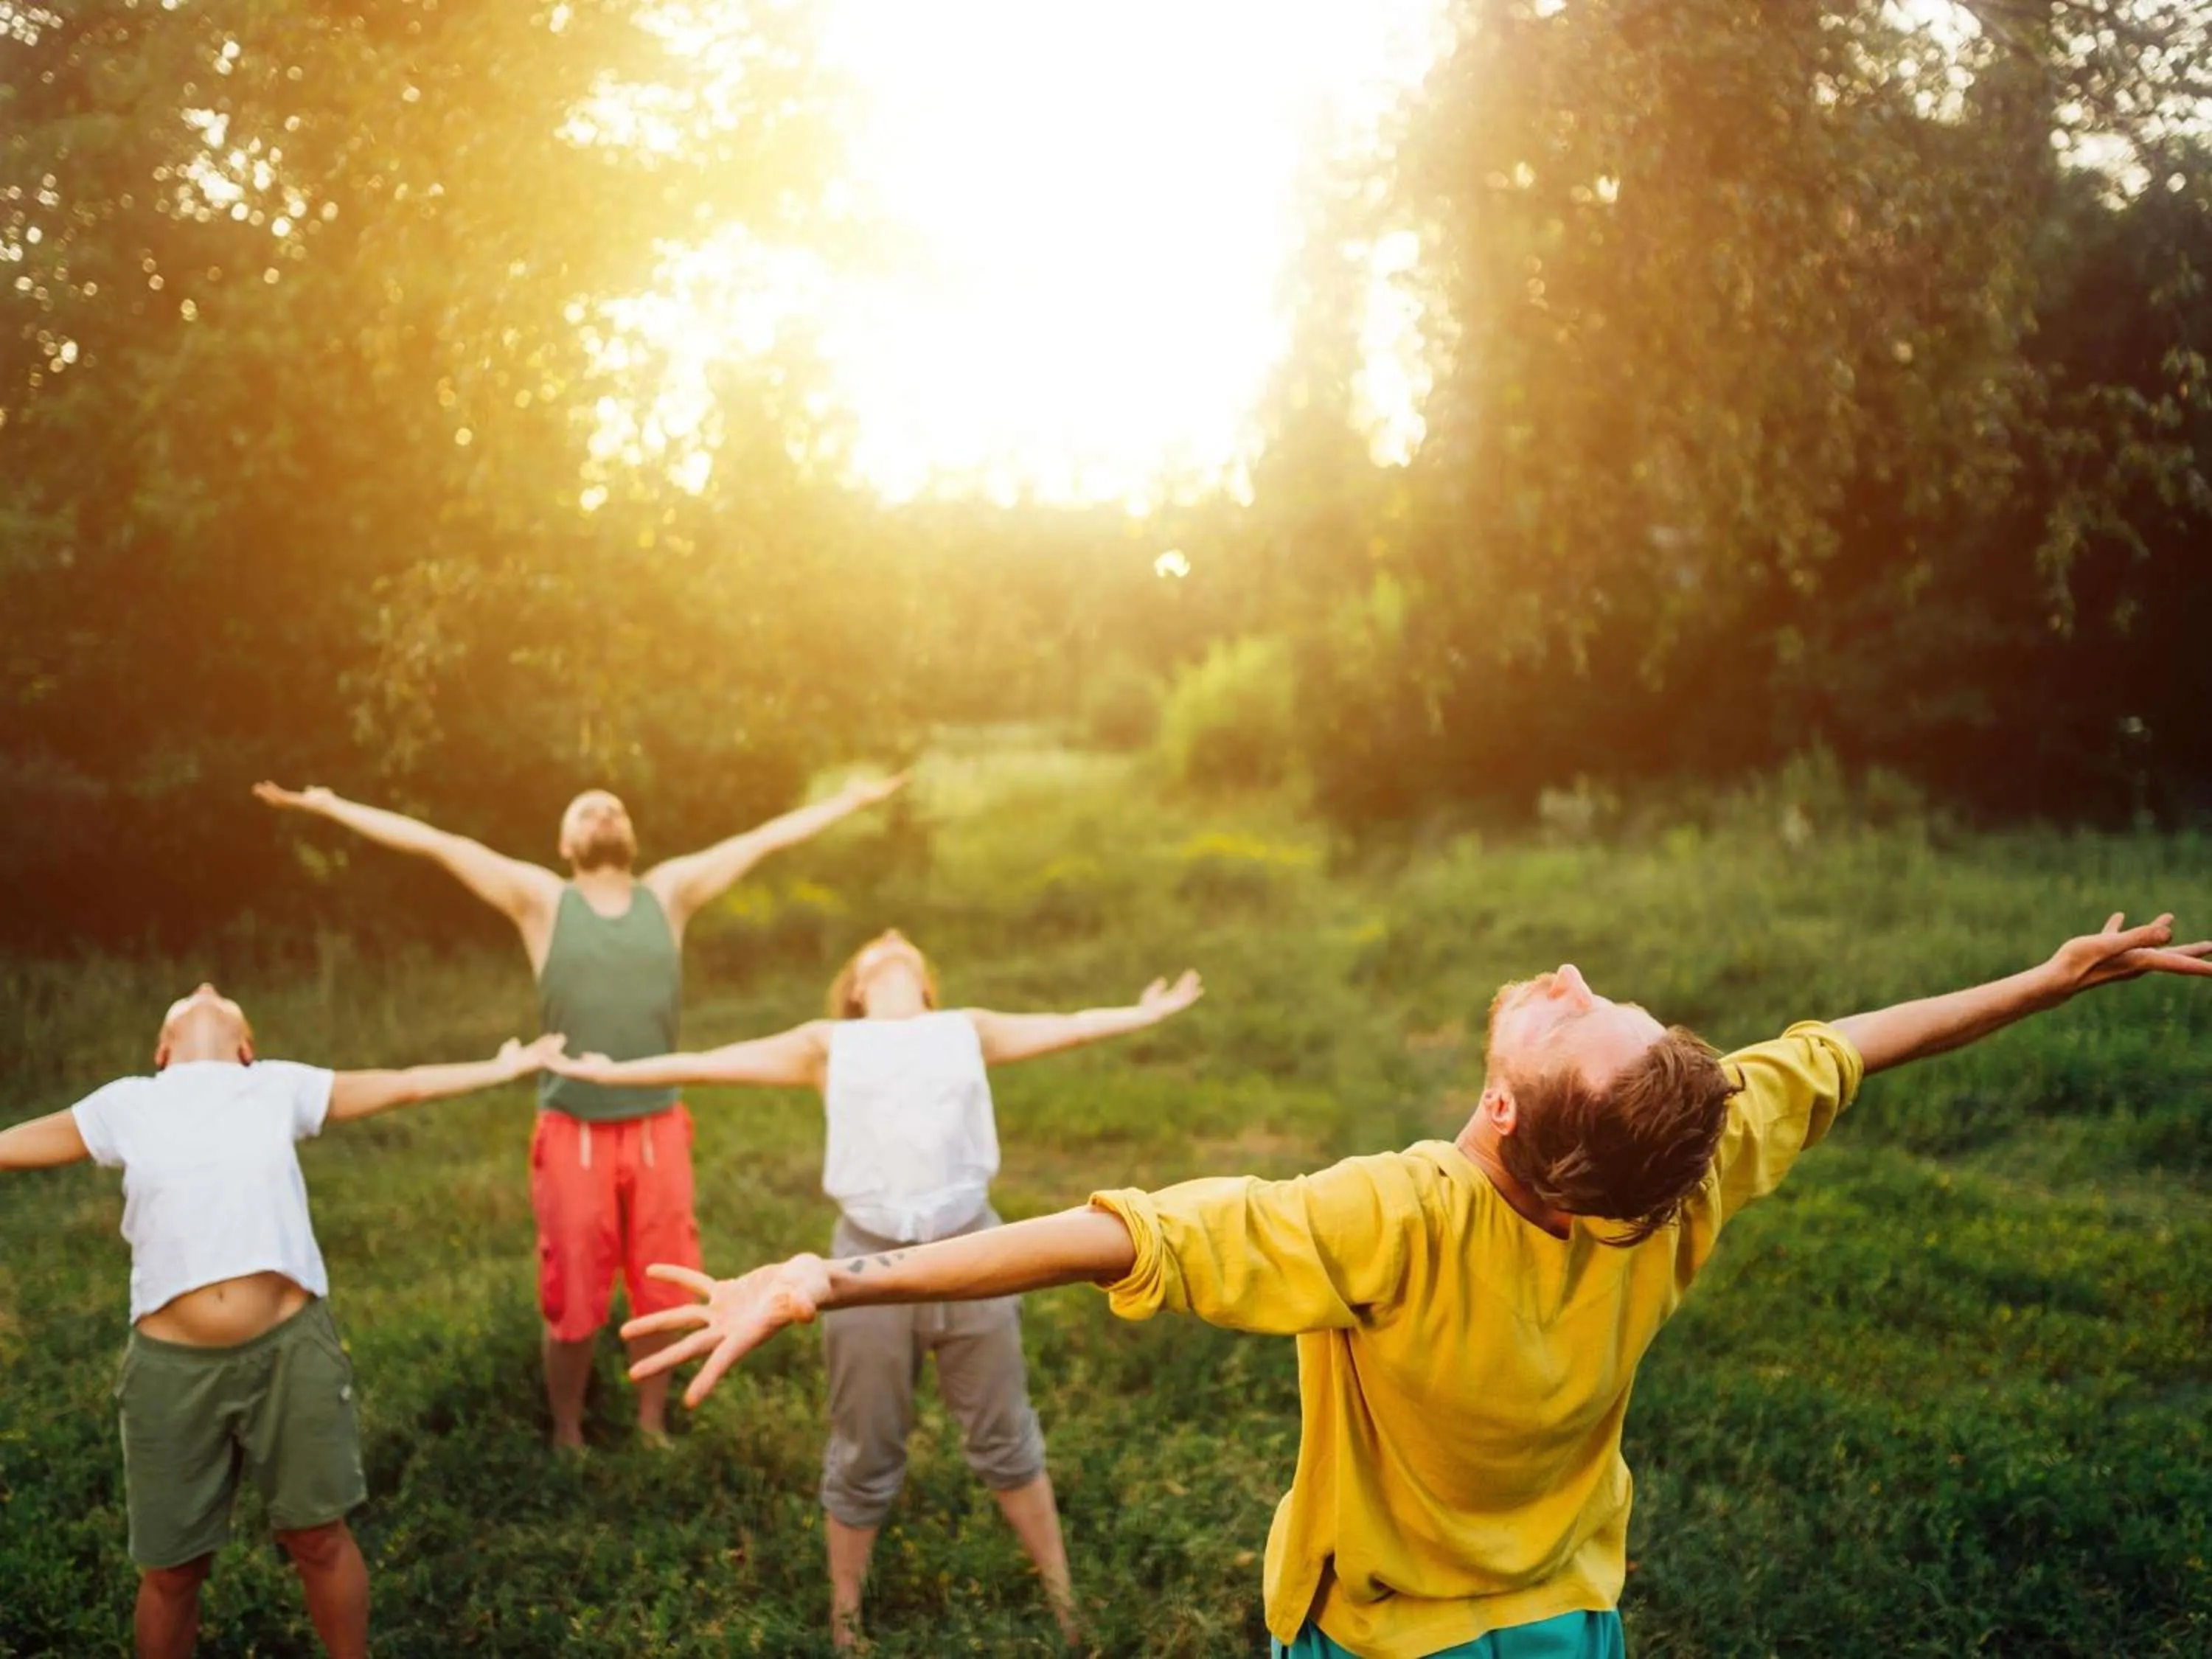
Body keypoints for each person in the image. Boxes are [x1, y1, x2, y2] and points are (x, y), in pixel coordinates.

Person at [614, 912, 2211, 1659]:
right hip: (1575, 1618)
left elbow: (1123, 1235)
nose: (1579, 976)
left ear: (1506, 1113)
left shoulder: (1404, 1217)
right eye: (1616, 1002)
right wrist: (2046, 984)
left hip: (1384, 1638)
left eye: (1574, 1016)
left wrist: (831, 1277)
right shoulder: (1689, 1167)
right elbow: (1861, 1043)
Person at [546, 928, 1204, 1649]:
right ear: (857, 989)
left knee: (1006, 1433)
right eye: (875, 950)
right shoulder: (829, 1043)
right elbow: (706, 1063)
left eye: (906, 947)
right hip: (862, 1265)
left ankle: (1066, 1605)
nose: (891, 940)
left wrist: (1142, 1015)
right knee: (864, 1446)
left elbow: (1069, 1027)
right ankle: (846, 1621)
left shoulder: (965, 1030)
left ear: (927, 983)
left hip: (976, 1249)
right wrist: (609, 1076)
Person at [252, 772, 905, 1450]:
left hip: (658, 1127)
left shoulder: (670, 893)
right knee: (572, 1296)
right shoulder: (541, 901)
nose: (602, 812)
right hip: (574, 1132)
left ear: (630, 837)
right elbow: (440, 845)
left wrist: (848, 802)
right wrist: (331, 805)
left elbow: (763, 839)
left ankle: (651, 1424)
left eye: (613, 806)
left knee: (666, 1284)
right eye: (587, 809)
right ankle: (567, 1432)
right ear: (566, 842)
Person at [0, 983, 563, 1659]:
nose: (206, 987)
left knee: (318, 1538)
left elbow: (405, 1084)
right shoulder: (127, 1103)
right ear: (161, 1050)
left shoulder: (273, 1086)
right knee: (172, 1571)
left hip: (290, 1355)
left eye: (220, 994)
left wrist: (501, 1067)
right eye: (189, 994)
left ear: (246, 1049)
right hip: (170, 1373)